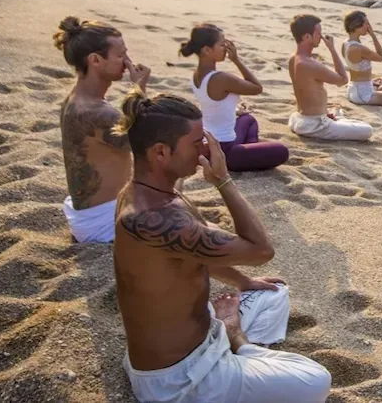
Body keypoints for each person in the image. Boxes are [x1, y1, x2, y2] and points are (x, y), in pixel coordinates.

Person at [113, 90, 330, 402]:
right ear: (161, 152)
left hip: (202, 340)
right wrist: (224, 181)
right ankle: (239, 341)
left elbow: (194, 253)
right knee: (316, 380)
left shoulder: (145, 193)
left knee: (272, 294)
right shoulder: (153, 218)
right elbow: (261, 250)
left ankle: (235, 342)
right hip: (181, 379)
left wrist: (244, 282)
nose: (206, 147)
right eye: (197, 141)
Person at [54, 16, 150, 243]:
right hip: (104, 222)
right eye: (120, 56)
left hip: (87, 217)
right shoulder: (97, 113)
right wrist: (139, 90)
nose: (128, 62)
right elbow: (150, 143)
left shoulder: (75, 99)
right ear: (96, 60)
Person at [180, 24, 289, 172]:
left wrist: (235, 111)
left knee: (248, 119)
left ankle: (250, 150)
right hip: (225, 150)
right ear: (207, 50)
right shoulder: (221, 78)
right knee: (282, 151)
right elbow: (257, 88)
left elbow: (215, 105)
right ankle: (248, 154)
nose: (226, 47)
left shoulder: (196, 75)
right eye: (222, 44)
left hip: (209, 143)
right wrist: (236, 60)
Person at [287, 14, 373, 141]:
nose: (321, 37)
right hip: (315, 125)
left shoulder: (293, 59)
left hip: (298, 119)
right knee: (367, 130)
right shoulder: (309, 64)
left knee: (339, 117)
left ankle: (333, 119)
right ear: (306, 36)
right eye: (318, 34)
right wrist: (332, 49)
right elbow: (343, 80)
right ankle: (335, 120)